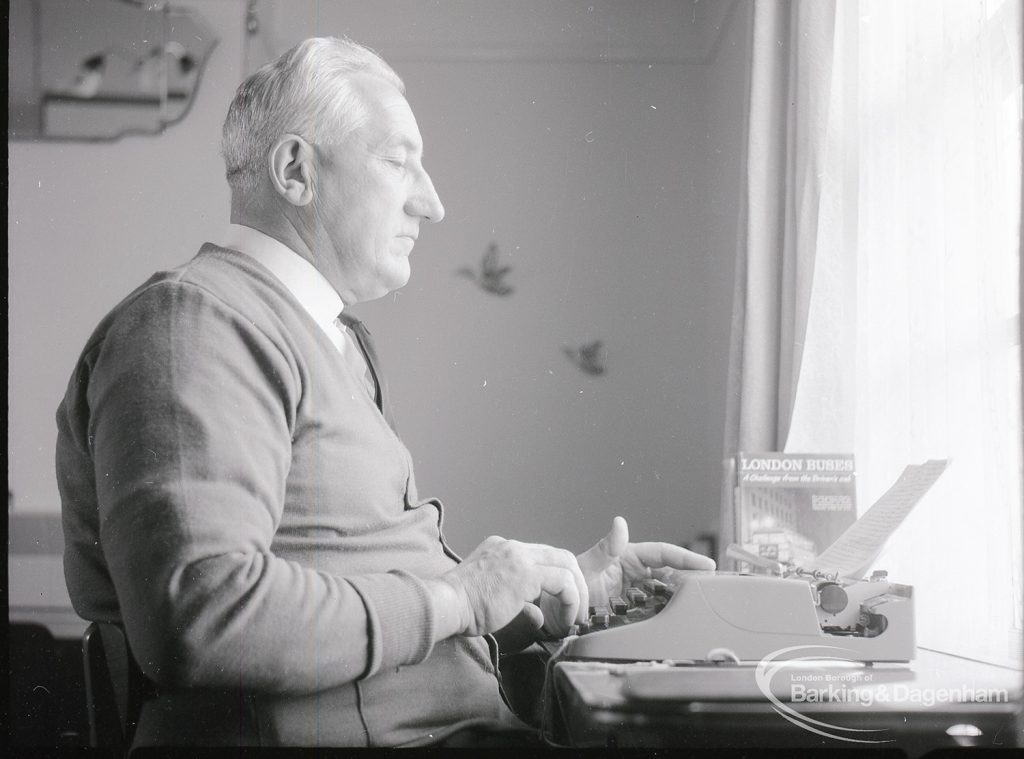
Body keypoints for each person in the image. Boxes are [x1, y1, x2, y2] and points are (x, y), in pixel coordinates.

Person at [56, 36, 716, 748]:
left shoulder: (331, 337)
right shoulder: (195, 323)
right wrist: (462, 595)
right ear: (295, 170)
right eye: (399, 162)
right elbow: (202, 617)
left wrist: (547, 601)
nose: (431, 203)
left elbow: (362, 575)